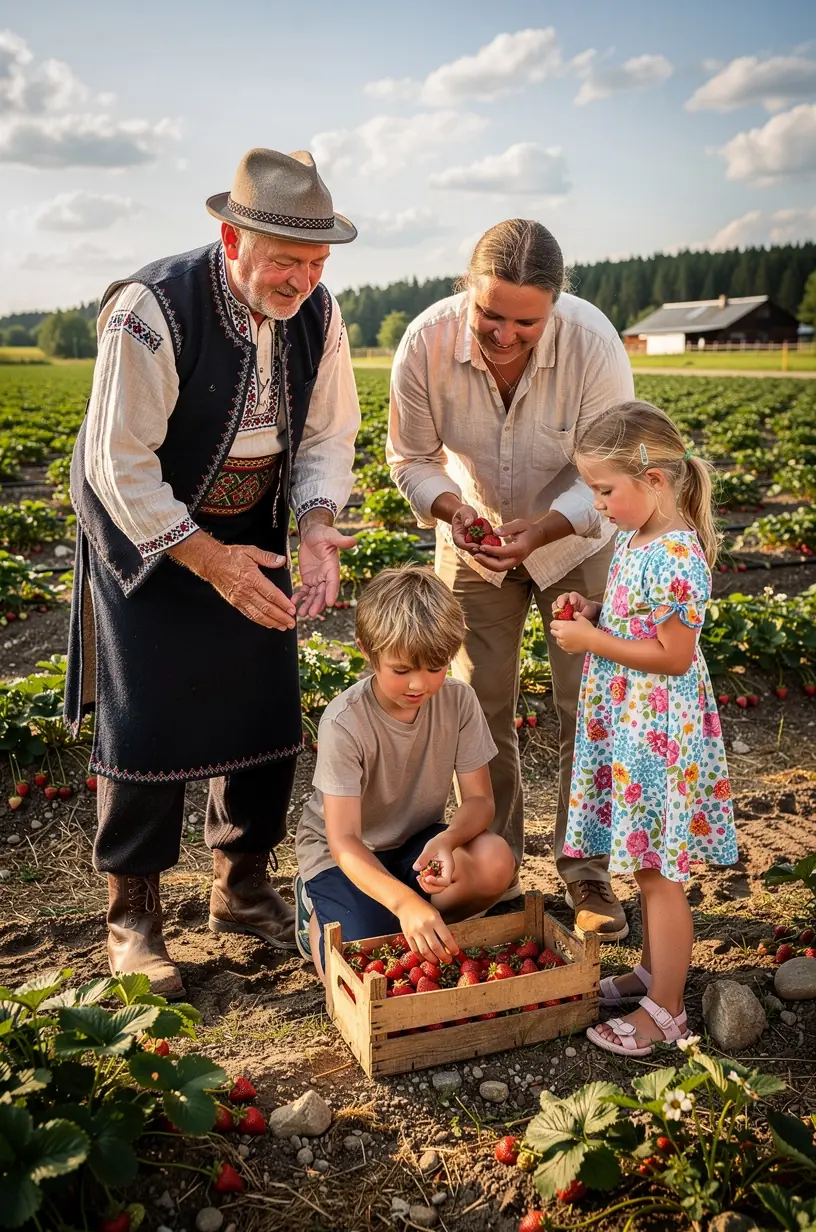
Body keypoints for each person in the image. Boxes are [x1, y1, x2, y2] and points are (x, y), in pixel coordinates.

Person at [65, 148, 360, 997]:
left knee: (262, 705)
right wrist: (206, 559)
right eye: (286, 261)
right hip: (148, 527)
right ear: (232, 238)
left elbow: (327, 433)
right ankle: (133, 917)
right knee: (146, 720)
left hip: (250, 523)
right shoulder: (151, 311)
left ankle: (241, 887)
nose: (303, 280)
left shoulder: (320, 313)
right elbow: (119, 464)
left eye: (317, 262)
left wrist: (315, 524)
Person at [387, 218, 635, 940]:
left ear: (555, 304)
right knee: (475, 706)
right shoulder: (426, 343)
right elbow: (410, 458)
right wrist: (454, 510)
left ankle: (586, 871)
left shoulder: (592, 346)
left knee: (585, 705)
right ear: (468, 289)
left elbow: (613, 471)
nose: (504, 335)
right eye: (490, 314)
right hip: (474, 538)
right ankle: (493, 867)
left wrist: (546, 528)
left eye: (526, 322)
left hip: (577, 540)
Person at [549, 400, 737, 1055]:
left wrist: (591, 641)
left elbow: (674, 655)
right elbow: (641, 617)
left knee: (658, 874)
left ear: (654, 480)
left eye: (605, 490)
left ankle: (668, 1012)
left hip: (657, 731)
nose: (598, 504)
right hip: (632, 726)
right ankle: (655, 975)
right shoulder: (638, 538)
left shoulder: (678, 554)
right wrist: (595, 609)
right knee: (644, 863)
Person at [293, 566, 515, 977]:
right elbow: (343, 840)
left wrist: (448, 839)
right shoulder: (344, 722)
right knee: (362, 968)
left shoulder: (459, 701)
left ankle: (409, 917)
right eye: (401, 670)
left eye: (436, 667)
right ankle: (316, 904)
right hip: (345, 855)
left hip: (414, 841)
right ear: (366, 650)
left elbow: (480, 800)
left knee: (494, 860)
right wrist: (405, 902)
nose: (419, 685)